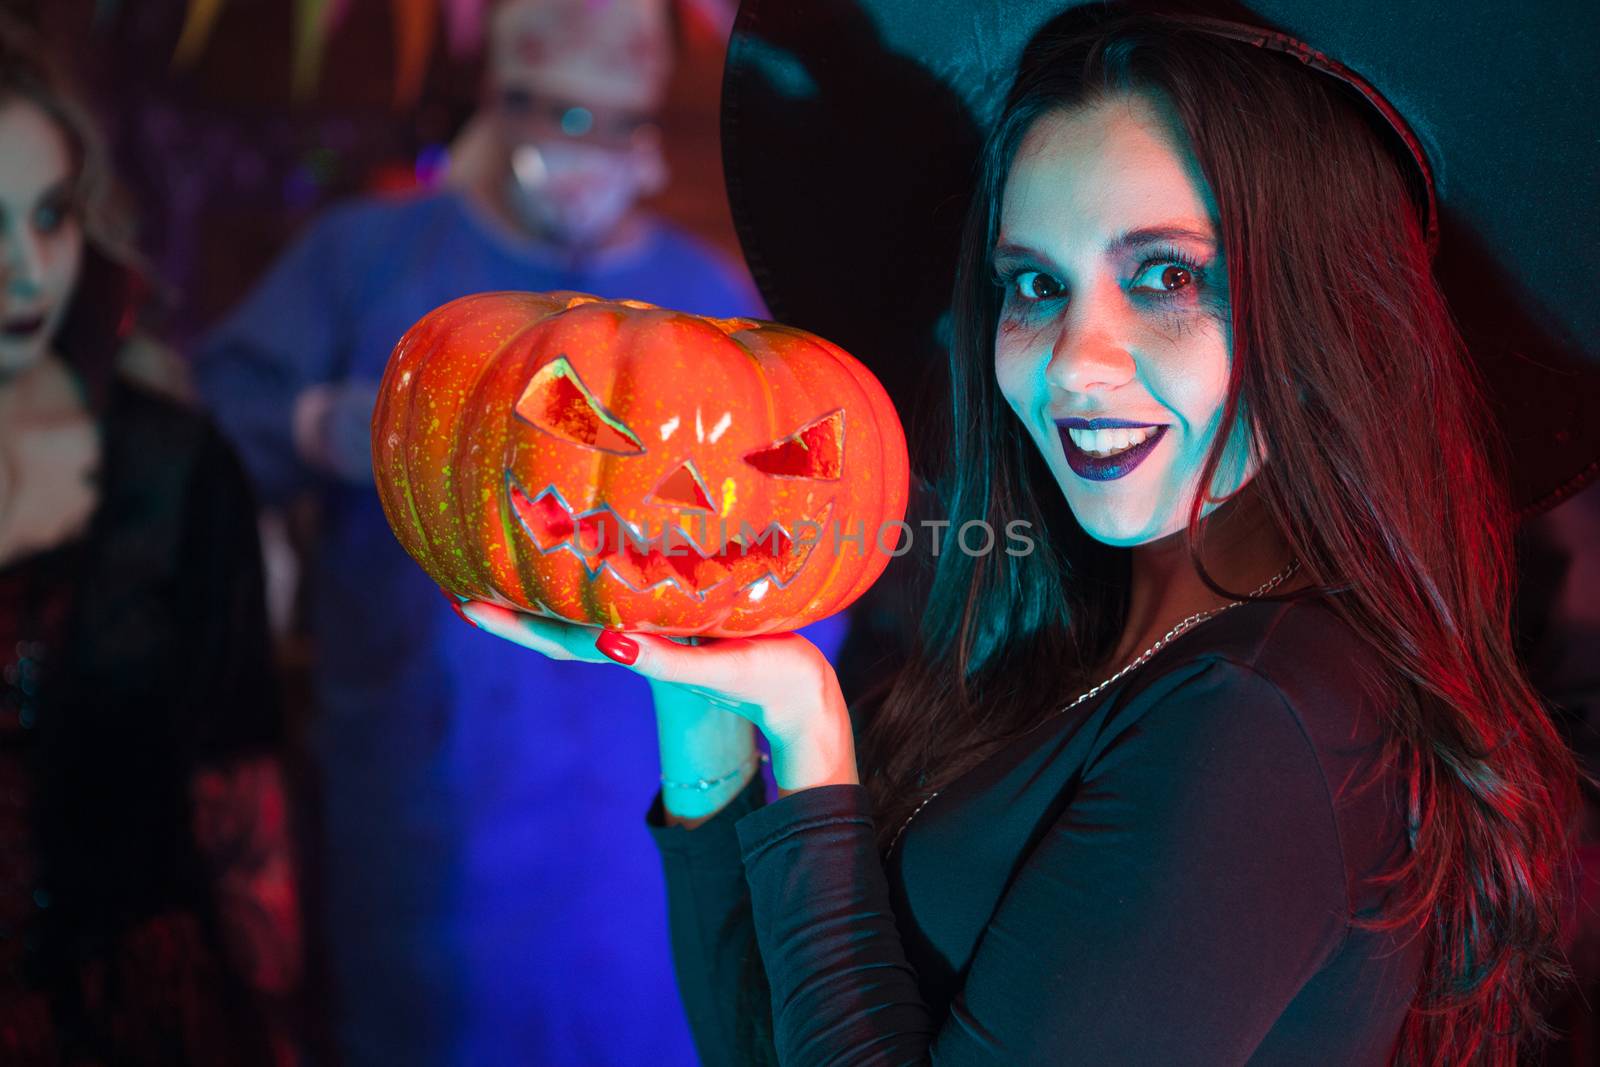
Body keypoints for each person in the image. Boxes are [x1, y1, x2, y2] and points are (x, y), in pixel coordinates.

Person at [461, 2, 1600, 1064]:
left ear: (1328, 312)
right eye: (1036, 285)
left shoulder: (1262, 720)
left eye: (1166, 275)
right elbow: (762, 1041)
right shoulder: (1078, 638)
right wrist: (706, 701)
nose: (1073, 362)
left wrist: (812, 736)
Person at [193, 1, 845, 1064]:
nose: (588, 152)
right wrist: (312, 426)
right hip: (425, 796)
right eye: (561, 116)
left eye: (618, 125)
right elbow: (200, 432)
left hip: (643, 810)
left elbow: (804, 543)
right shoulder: (369, 262)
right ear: (497, 101)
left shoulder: (709, 304)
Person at [0, 20, 300, 1067]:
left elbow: (238, 795)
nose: (24, 265)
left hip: (128, 1016)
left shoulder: (172, 467)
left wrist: (274, 1025)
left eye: (47, 217)